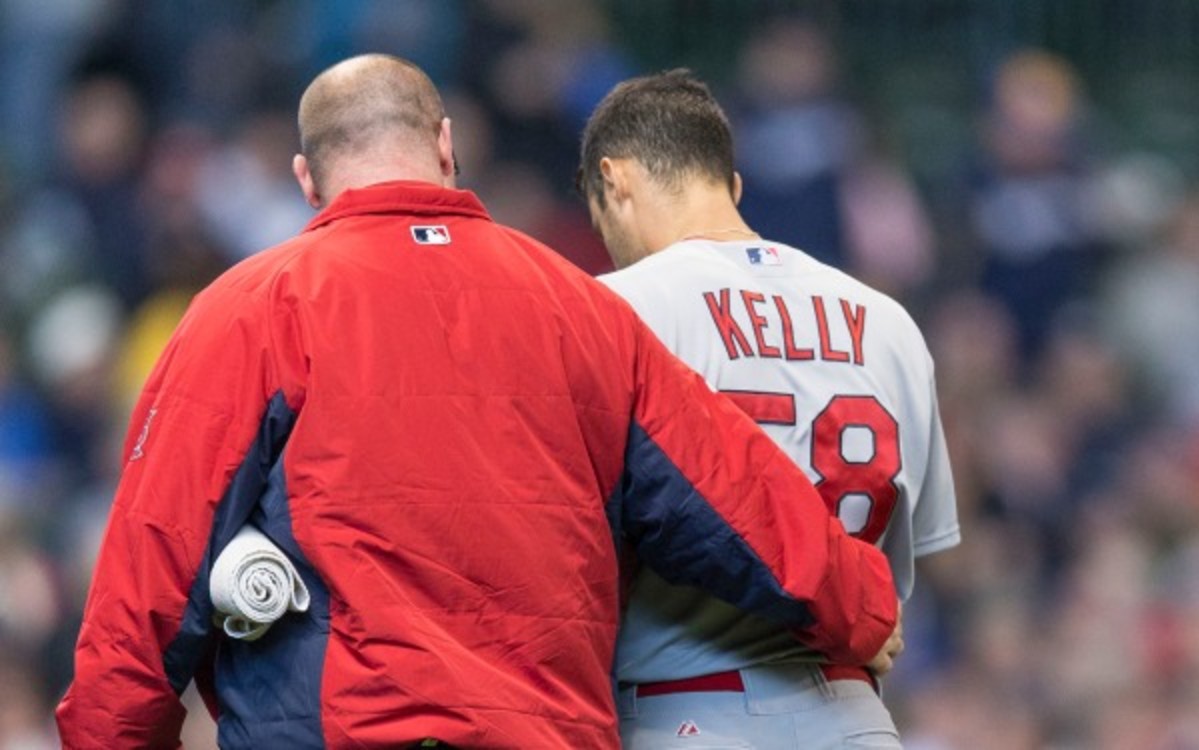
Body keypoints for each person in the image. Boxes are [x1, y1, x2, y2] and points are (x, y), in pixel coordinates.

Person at [55, 55, 901, 750]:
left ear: (308, 178)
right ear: (447, 146)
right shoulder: (582, 307)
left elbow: (146, 589)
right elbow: (733, 498)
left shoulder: (249, 311)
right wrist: (861, 610)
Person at [578, 69, 960, 749]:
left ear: (616, 181)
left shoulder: (614, 310)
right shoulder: (888, 320)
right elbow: (906, 572)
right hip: (856, 716)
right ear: (733, 186)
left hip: (679, 709)